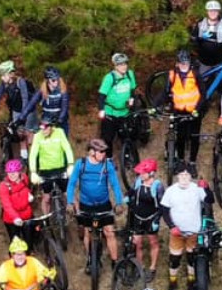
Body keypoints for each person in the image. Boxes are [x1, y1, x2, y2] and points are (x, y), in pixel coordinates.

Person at [68, 139, 126, 268]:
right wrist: (70, 202)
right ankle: (91, 259)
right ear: (92, 152)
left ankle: (115, 262)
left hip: (103, 204)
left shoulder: (107, 164)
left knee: (109, 231)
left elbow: (115, 184)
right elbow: (71, 184)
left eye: (104, 152)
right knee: (88, 232)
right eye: (101, 152)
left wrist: (119, 202)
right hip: (86, 205)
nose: (104, 154)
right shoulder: (81, 164)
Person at [160, 166, 212, 290]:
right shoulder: (170, 191)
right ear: (177, 176)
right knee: (174, 259)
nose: (184, 177)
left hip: (193, 232)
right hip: (176, 232)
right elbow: (164, 210)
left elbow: (210, 200)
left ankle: (191, 283)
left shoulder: (196, 189)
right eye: (181, 174)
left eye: (187, 175)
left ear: (190, 177)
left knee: (191, 259)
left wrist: (206, 188)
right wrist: (171, 226)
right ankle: (172, 283)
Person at [0, 60, 39, 154]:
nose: (1, 78)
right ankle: (24, 159)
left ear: (10, 74)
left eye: (3, 75)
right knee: (19, 135)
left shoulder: (20, 82)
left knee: (29, 137)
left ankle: (35, 159)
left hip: (29, 112)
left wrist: (23, 117)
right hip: (16, 111)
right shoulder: (4, 84)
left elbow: (25, 99)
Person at [162, 50, 206, 170]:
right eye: (181, 63)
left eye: (186, 63)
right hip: (179, 111)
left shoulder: (196, 74)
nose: (184, 66)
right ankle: (181, 160)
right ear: (177, 63)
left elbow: (203, 94)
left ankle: (192, 162)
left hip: (194, 111)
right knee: (180, 136)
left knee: (194, 137)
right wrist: (155, 106)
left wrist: (197, 109)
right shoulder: (172, 75)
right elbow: (165, 93)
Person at [125, 158, 165, 278]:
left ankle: (152, 268)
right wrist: (127, 198)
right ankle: (139, 267)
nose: (141, 175)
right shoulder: (138, 181)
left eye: (143, 173)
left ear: (151, 173)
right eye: (140, 173)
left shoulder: (157, 186)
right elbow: (131, 193)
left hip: (151, 219)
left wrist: (157, 220)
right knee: (138, 243)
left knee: (153, 242)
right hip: (138, 217)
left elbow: (162, 205)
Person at [97, 54, 139, 158]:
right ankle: (108, 159)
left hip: (124, 112)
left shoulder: (130, 74)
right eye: (120, 64)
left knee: (127, 136)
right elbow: (102, 95)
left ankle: (128, 157)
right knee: (107, 138)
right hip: (110, 113)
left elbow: (133, 90)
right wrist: (101, 109)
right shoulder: (109, 78)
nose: (123, 66)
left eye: (125, 64)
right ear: (115, 66)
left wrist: (132, 99)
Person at [28, 118, 76, 207]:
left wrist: (70, 164)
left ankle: (78, 214)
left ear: (51, 127)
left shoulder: (60, 132)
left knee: (68, 194)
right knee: (46, 198)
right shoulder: (37, 136)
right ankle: (46, 220)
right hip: (45, 170)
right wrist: (33, 171)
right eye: (41, 129)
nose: (43, 131)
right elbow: (33, 155)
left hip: (60, 168)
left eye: (45, 129)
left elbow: (67, 148)